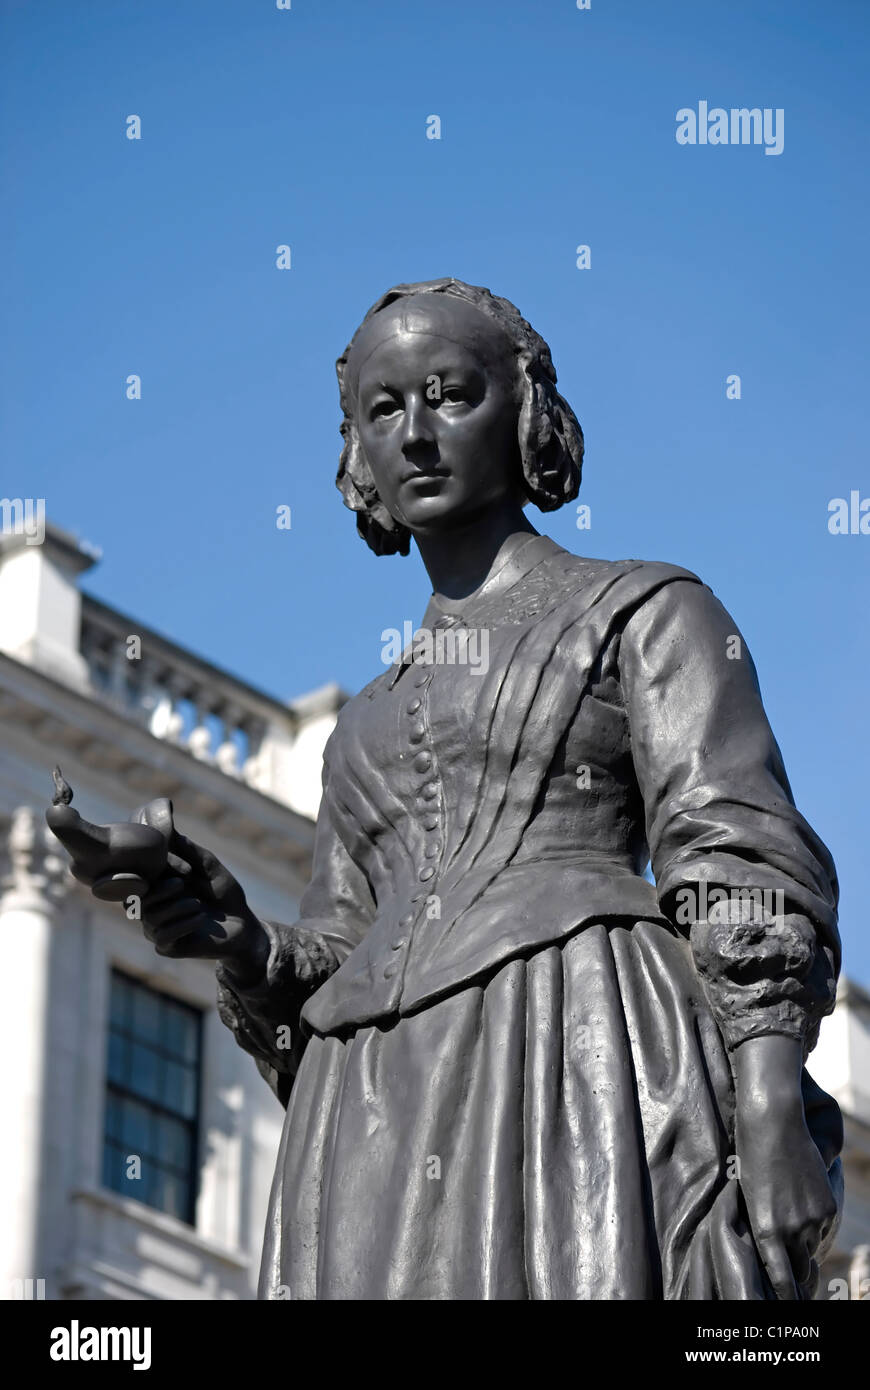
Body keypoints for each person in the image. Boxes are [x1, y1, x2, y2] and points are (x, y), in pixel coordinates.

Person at [67, 278, 843, 1300]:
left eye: (450, 395)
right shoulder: (360, 730)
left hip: (577, 1051)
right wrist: (239, 940)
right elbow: (336, 952)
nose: (417, 435)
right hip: (369, 1113)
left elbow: (735, 853)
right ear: (357, 455)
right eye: (383, 410)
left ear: (522, 415)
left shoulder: (648, 610)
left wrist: (768, 1103)